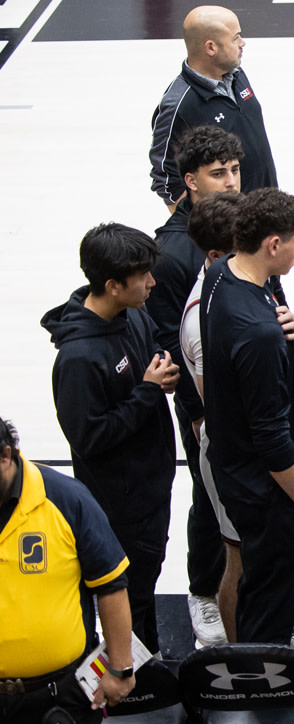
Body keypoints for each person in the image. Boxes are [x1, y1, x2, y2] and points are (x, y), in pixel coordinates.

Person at [201, 188, 294, 651]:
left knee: (257, 588)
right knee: (270, 606)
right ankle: (265, 687)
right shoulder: (257, 335)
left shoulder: (221, 275)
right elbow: (274, 441)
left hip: (238, 471)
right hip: (269, 492)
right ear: (273, 244)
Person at [41, 223, 179, 655]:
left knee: (147, 579)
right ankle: (132, 679)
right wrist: (147, 391)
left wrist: (162, 368)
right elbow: (91, 437)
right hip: (121, 503)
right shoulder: (79, 359)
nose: (152, 283)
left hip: (151, 483)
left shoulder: (132, 313)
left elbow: (151, 346)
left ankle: (145, 665)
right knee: (129, 594)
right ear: (113, 285)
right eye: (143, 277)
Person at [146, 125, 241, 647]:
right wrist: (196, 411)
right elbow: (169, 343)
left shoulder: (237, 224)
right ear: (190, 181)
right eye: (217, 173)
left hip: (237, 389)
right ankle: (204, 591)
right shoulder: (174, 254)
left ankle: (247, 570)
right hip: (201, 400)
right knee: (209, 494)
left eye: (234, 170)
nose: (230, 182)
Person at [0, 420, 138, 721]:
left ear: (5, 456)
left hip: (59, 699)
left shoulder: (66, 499)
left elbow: (111, 585)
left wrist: (121, 669)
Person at [178, 191, 252, 642]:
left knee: (255, 557)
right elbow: (221, 409)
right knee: (238, 557)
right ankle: (245, 657)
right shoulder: (202, 318)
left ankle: (266, 642)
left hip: (249, 444)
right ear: (216, 254)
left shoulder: (234, 284)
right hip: (233, 450)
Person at [149, 5, 275, 209]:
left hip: (265, 210)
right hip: (231, 226)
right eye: (235, 38)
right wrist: (199, 227)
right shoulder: (178, 105)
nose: (243, 43)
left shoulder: (236, 75)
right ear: (211, 48)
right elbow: (165, 178)